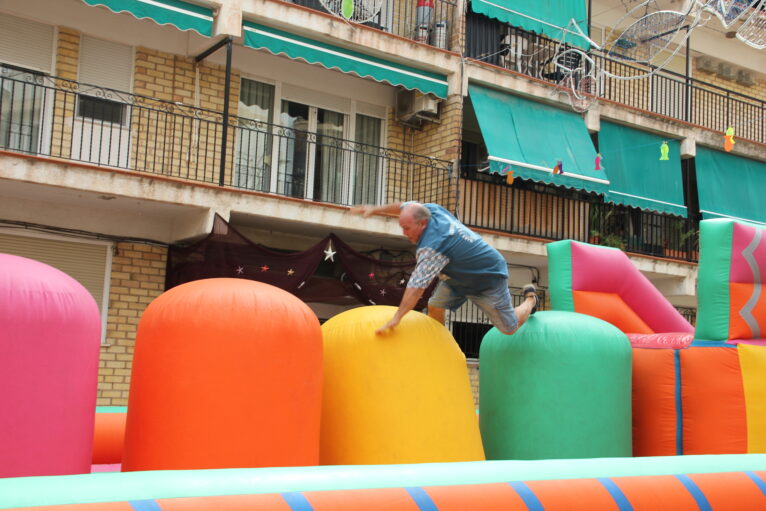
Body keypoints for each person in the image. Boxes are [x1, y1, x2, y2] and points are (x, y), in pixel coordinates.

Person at [350, 201, 538, 335]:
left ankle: (531, 300)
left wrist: (397, 318)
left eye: (406, 228)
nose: (403, 233)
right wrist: (375, 209)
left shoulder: (433, 248)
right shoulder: (429, 210)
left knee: (509, 328)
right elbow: (401, 207)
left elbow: (416, 289)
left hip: (488, 277)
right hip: (458, 278)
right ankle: (441, 345)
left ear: (422, 224)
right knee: (434, 306)